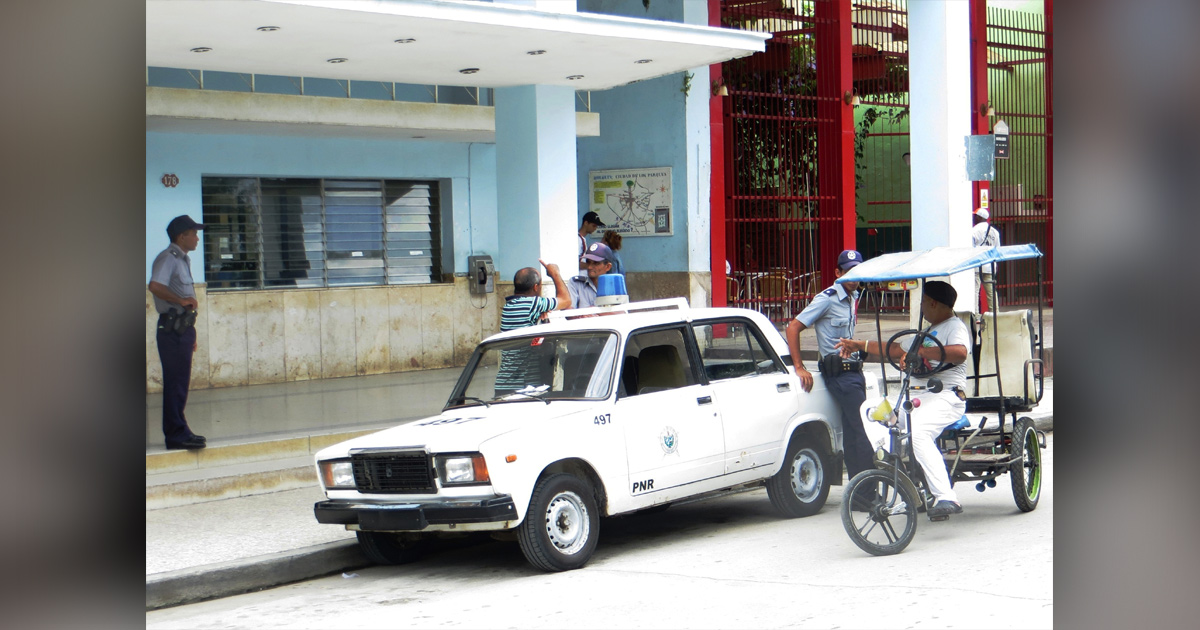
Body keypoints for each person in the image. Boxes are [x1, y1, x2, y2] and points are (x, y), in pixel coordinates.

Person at [836, 280, 971, 517]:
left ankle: (947, 497)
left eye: (922, 303)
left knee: (919, 433)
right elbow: (896, 348)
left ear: (932, 303)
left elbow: (960, 353)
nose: (921, 309)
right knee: (870, 408)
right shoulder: (927, 332)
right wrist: (859, 344)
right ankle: (886, 459)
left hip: (946, 397)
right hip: (916, 401)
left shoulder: (954, 327)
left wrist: (921, 353)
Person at [785, 249, 873, 482]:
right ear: (838, 272)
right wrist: (799, 366)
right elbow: (793, 327)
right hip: (840, 376)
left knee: (854, 433)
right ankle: (866, 490)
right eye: (849, 271)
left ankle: (859, 490)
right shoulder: (827, 298)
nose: (854, 276)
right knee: (863, 432)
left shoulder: (853, 297)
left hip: (853, 373)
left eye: (858, 271)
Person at [148, 215, 208, 450]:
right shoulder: (168, 259)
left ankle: (181, 430)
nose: (197, 238)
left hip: (182, 328)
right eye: (194, 233)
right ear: (181, 236)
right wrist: (181, 299)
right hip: (172, 328)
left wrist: (190, 333)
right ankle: (175, 435)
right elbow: (155, 286)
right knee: (176, 384)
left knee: (181, 383)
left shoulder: (183, 260)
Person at [501, 259, 570, 331]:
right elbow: (566, 301)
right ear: (535, 287)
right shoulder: (534, 303)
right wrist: (555, 274)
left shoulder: (508, 305)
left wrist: (540, 312)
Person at [567, 242, 615, 308]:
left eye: (595, 263)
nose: (589, 267)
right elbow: (568, 310)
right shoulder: (575, 283)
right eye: (588, 262)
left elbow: (622, 313)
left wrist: (594, 311)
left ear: (607, 267)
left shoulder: (614, 286)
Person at [971, 208, 1000, 312]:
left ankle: (975, 316)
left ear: (979, 217)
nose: (973, 218)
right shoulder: (995, 232)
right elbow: (997, 250)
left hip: (976, 265)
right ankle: (995, 315)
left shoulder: (973, 231)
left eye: (975, 216)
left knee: (975, 291)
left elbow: (970, 249)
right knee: (991, 292)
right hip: (990, 265)